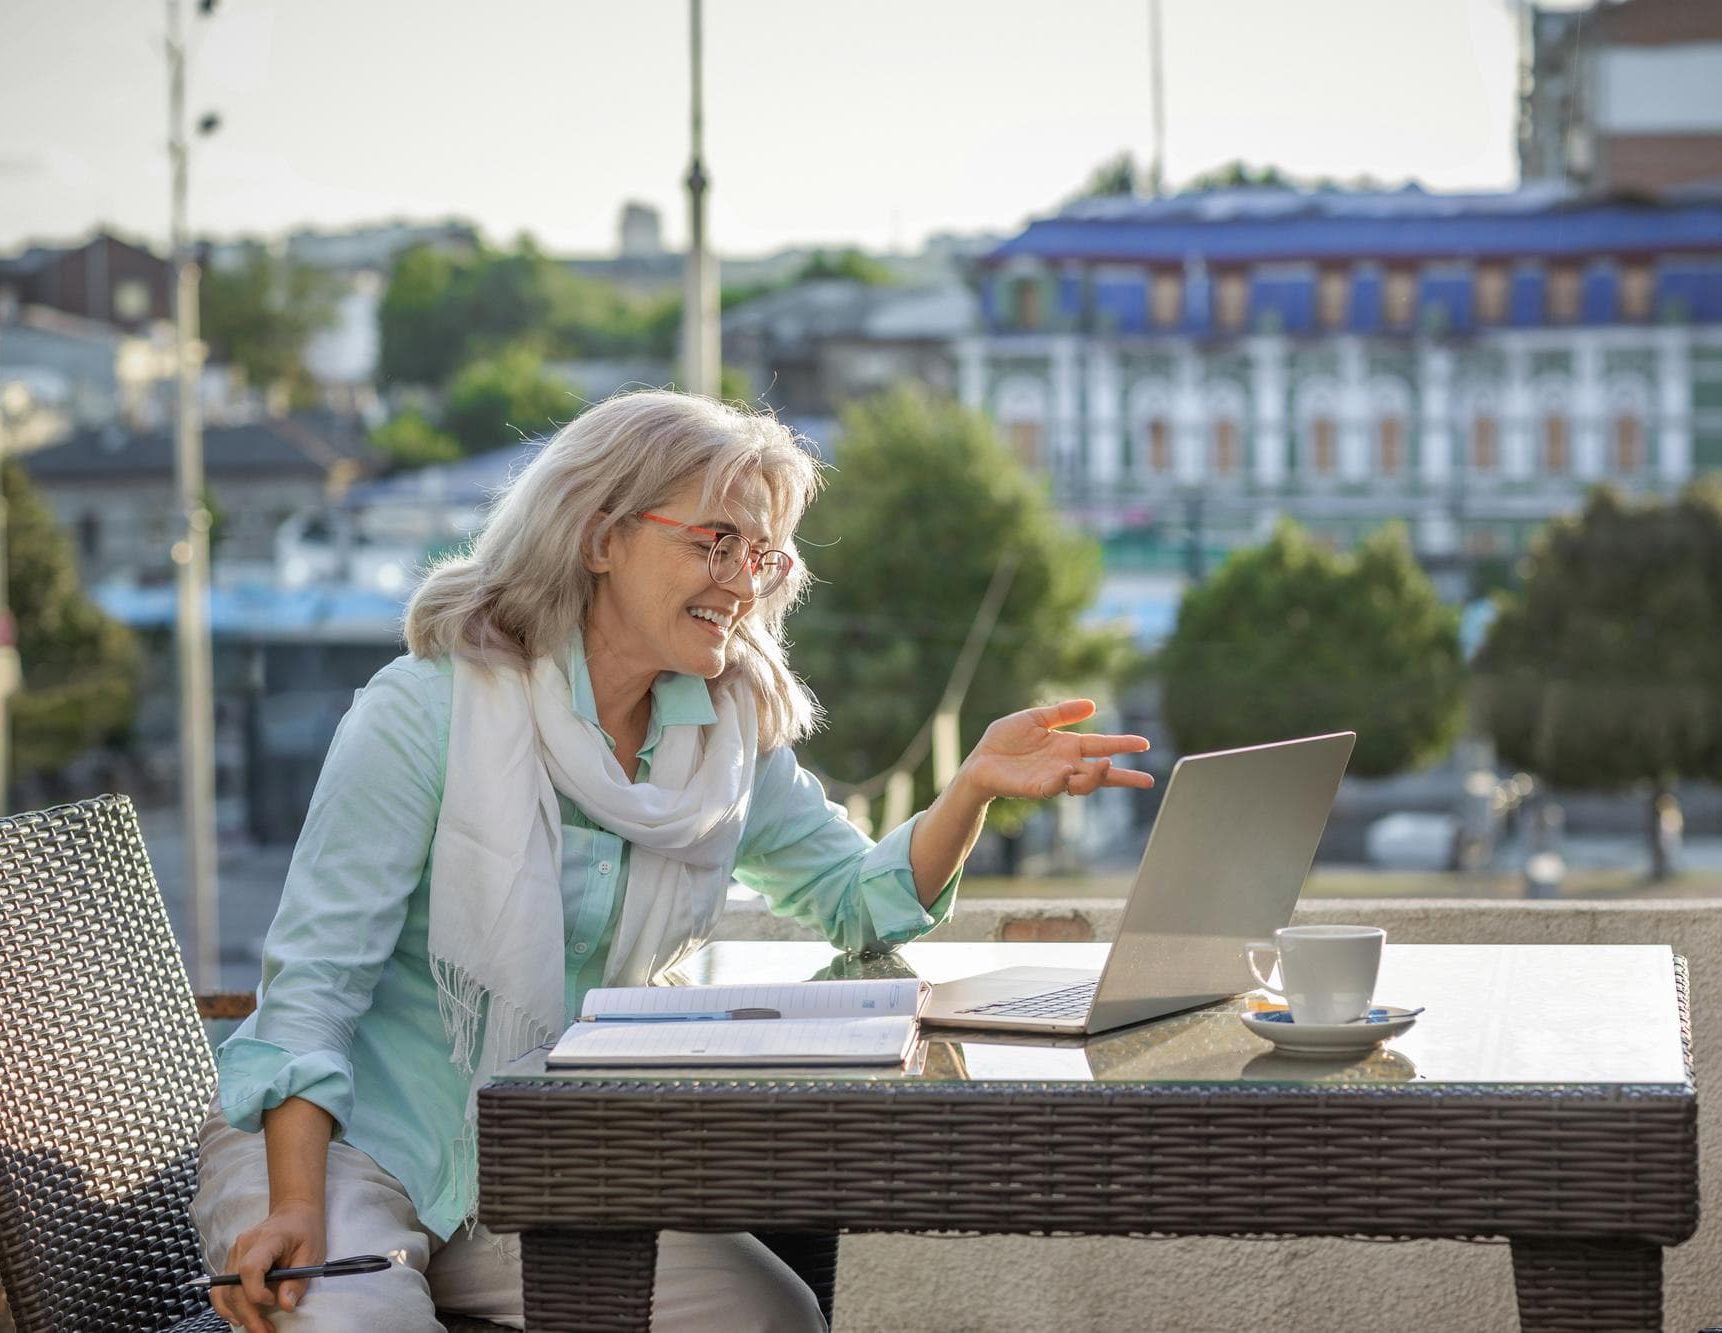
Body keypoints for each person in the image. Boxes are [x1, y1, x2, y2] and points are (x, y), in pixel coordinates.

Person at [192, 390, 1153, 1332]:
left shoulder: (722, 738)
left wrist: (970, 789)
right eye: (714, 541)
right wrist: (293, 1206)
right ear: (600, 536)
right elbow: (312, 989)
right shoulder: (426, 710)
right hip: (346, 1147)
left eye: (764, 553)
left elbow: (859, 899)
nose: (744, 580)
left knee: (771, 1314)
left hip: (540, 1167)